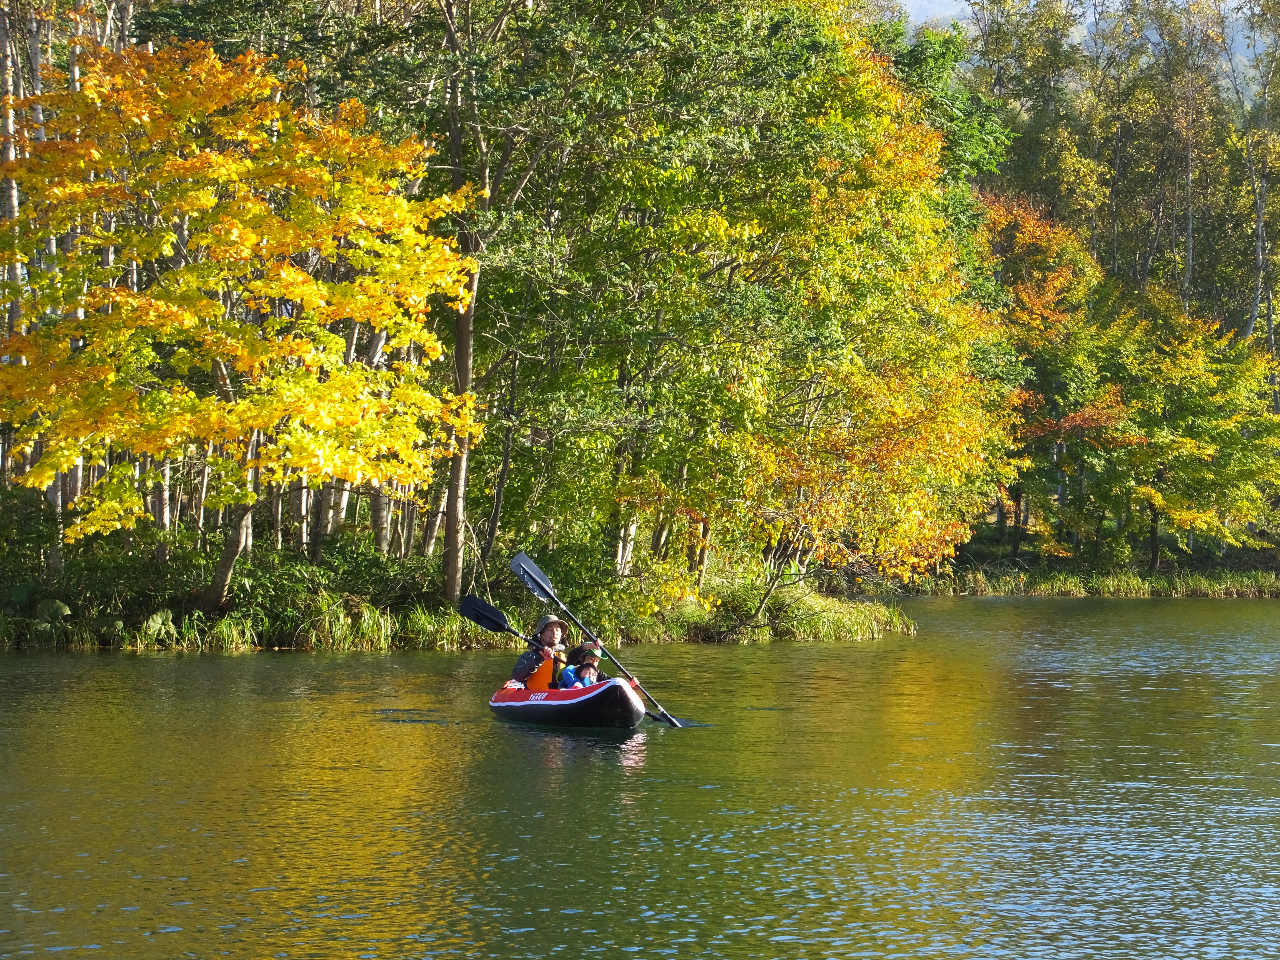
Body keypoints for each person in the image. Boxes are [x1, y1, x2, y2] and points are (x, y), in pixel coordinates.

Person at [510, 614, 569, 689]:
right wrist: (539, 659)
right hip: (535, 698)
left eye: (557, 630)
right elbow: (517, 676)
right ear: (541, 634)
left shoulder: (566, 657)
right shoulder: (529, 656)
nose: (554, 633)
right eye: (550, 630)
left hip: (561, 697)